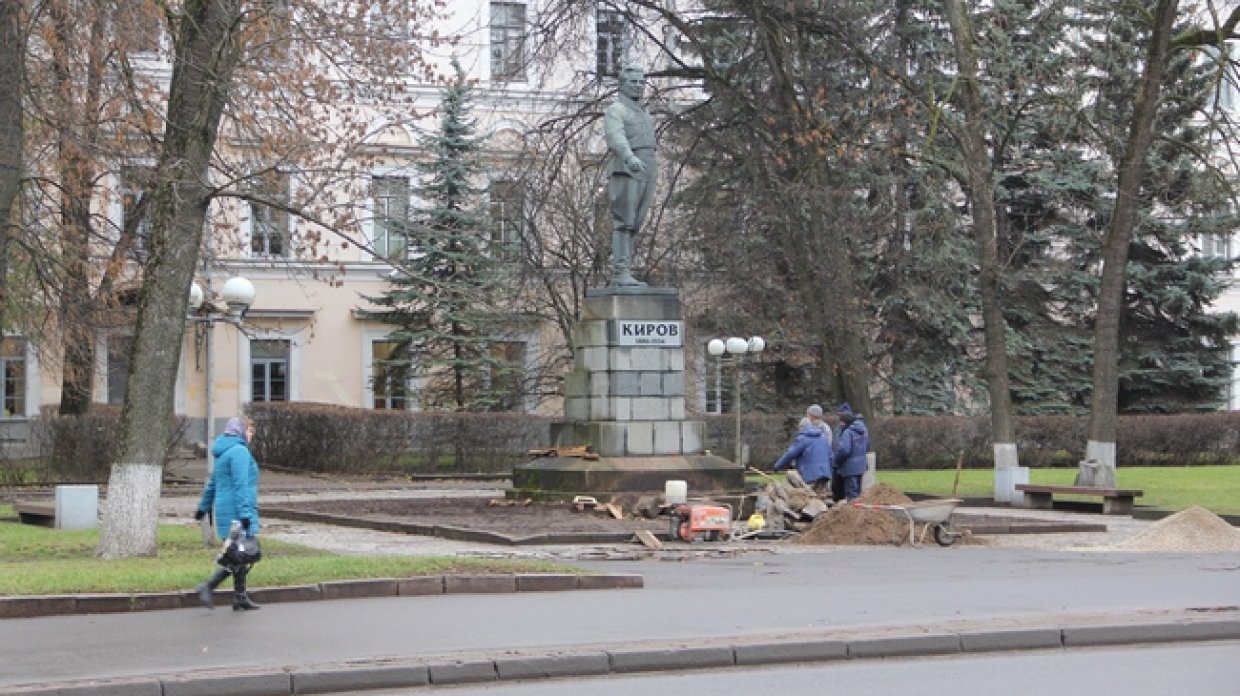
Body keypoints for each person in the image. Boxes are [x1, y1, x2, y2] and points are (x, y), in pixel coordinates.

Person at [194, 416, 262, 611]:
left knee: (238, 554)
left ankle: (240, 597)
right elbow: (241, 487)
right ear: (240, 431)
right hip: (237, 512)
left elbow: (213, 484)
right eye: (248, 431)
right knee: (241, 554)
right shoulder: (239, 452)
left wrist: (203, 508)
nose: (250, 435)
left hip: (226, 510)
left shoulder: (224, 452)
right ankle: (208, 586)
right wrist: (246, 516)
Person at [603, 64, 657, 288]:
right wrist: (628, 157)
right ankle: (620, 270)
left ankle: (626, 269)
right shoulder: (616, 110)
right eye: (633, 82)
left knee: (636, 222)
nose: (638, 86)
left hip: (648, 166)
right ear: (622, 85)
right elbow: (615, 137)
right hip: (627, 167)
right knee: (624, 221)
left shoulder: (643, 112)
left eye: (641, 82)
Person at [772, 404, 833, 497]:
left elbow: (790, 453)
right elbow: (831, 455)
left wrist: (777, 466)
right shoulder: (823, 437)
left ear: (802, 427)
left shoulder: (803, 438)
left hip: (810, 475)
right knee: (822, 496)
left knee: (809, 497)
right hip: (824, 473)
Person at [832, 402, 869, 503]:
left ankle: (853, 515)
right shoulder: (863, 430)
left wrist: (836, 460)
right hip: (861, 466)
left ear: (845, 422)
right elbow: (867, 446)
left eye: (841, 422)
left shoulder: (848, 432)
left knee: (851, 495)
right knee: (858, 493)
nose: (840, 424)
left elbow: (844, 450)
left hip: (849, 467)